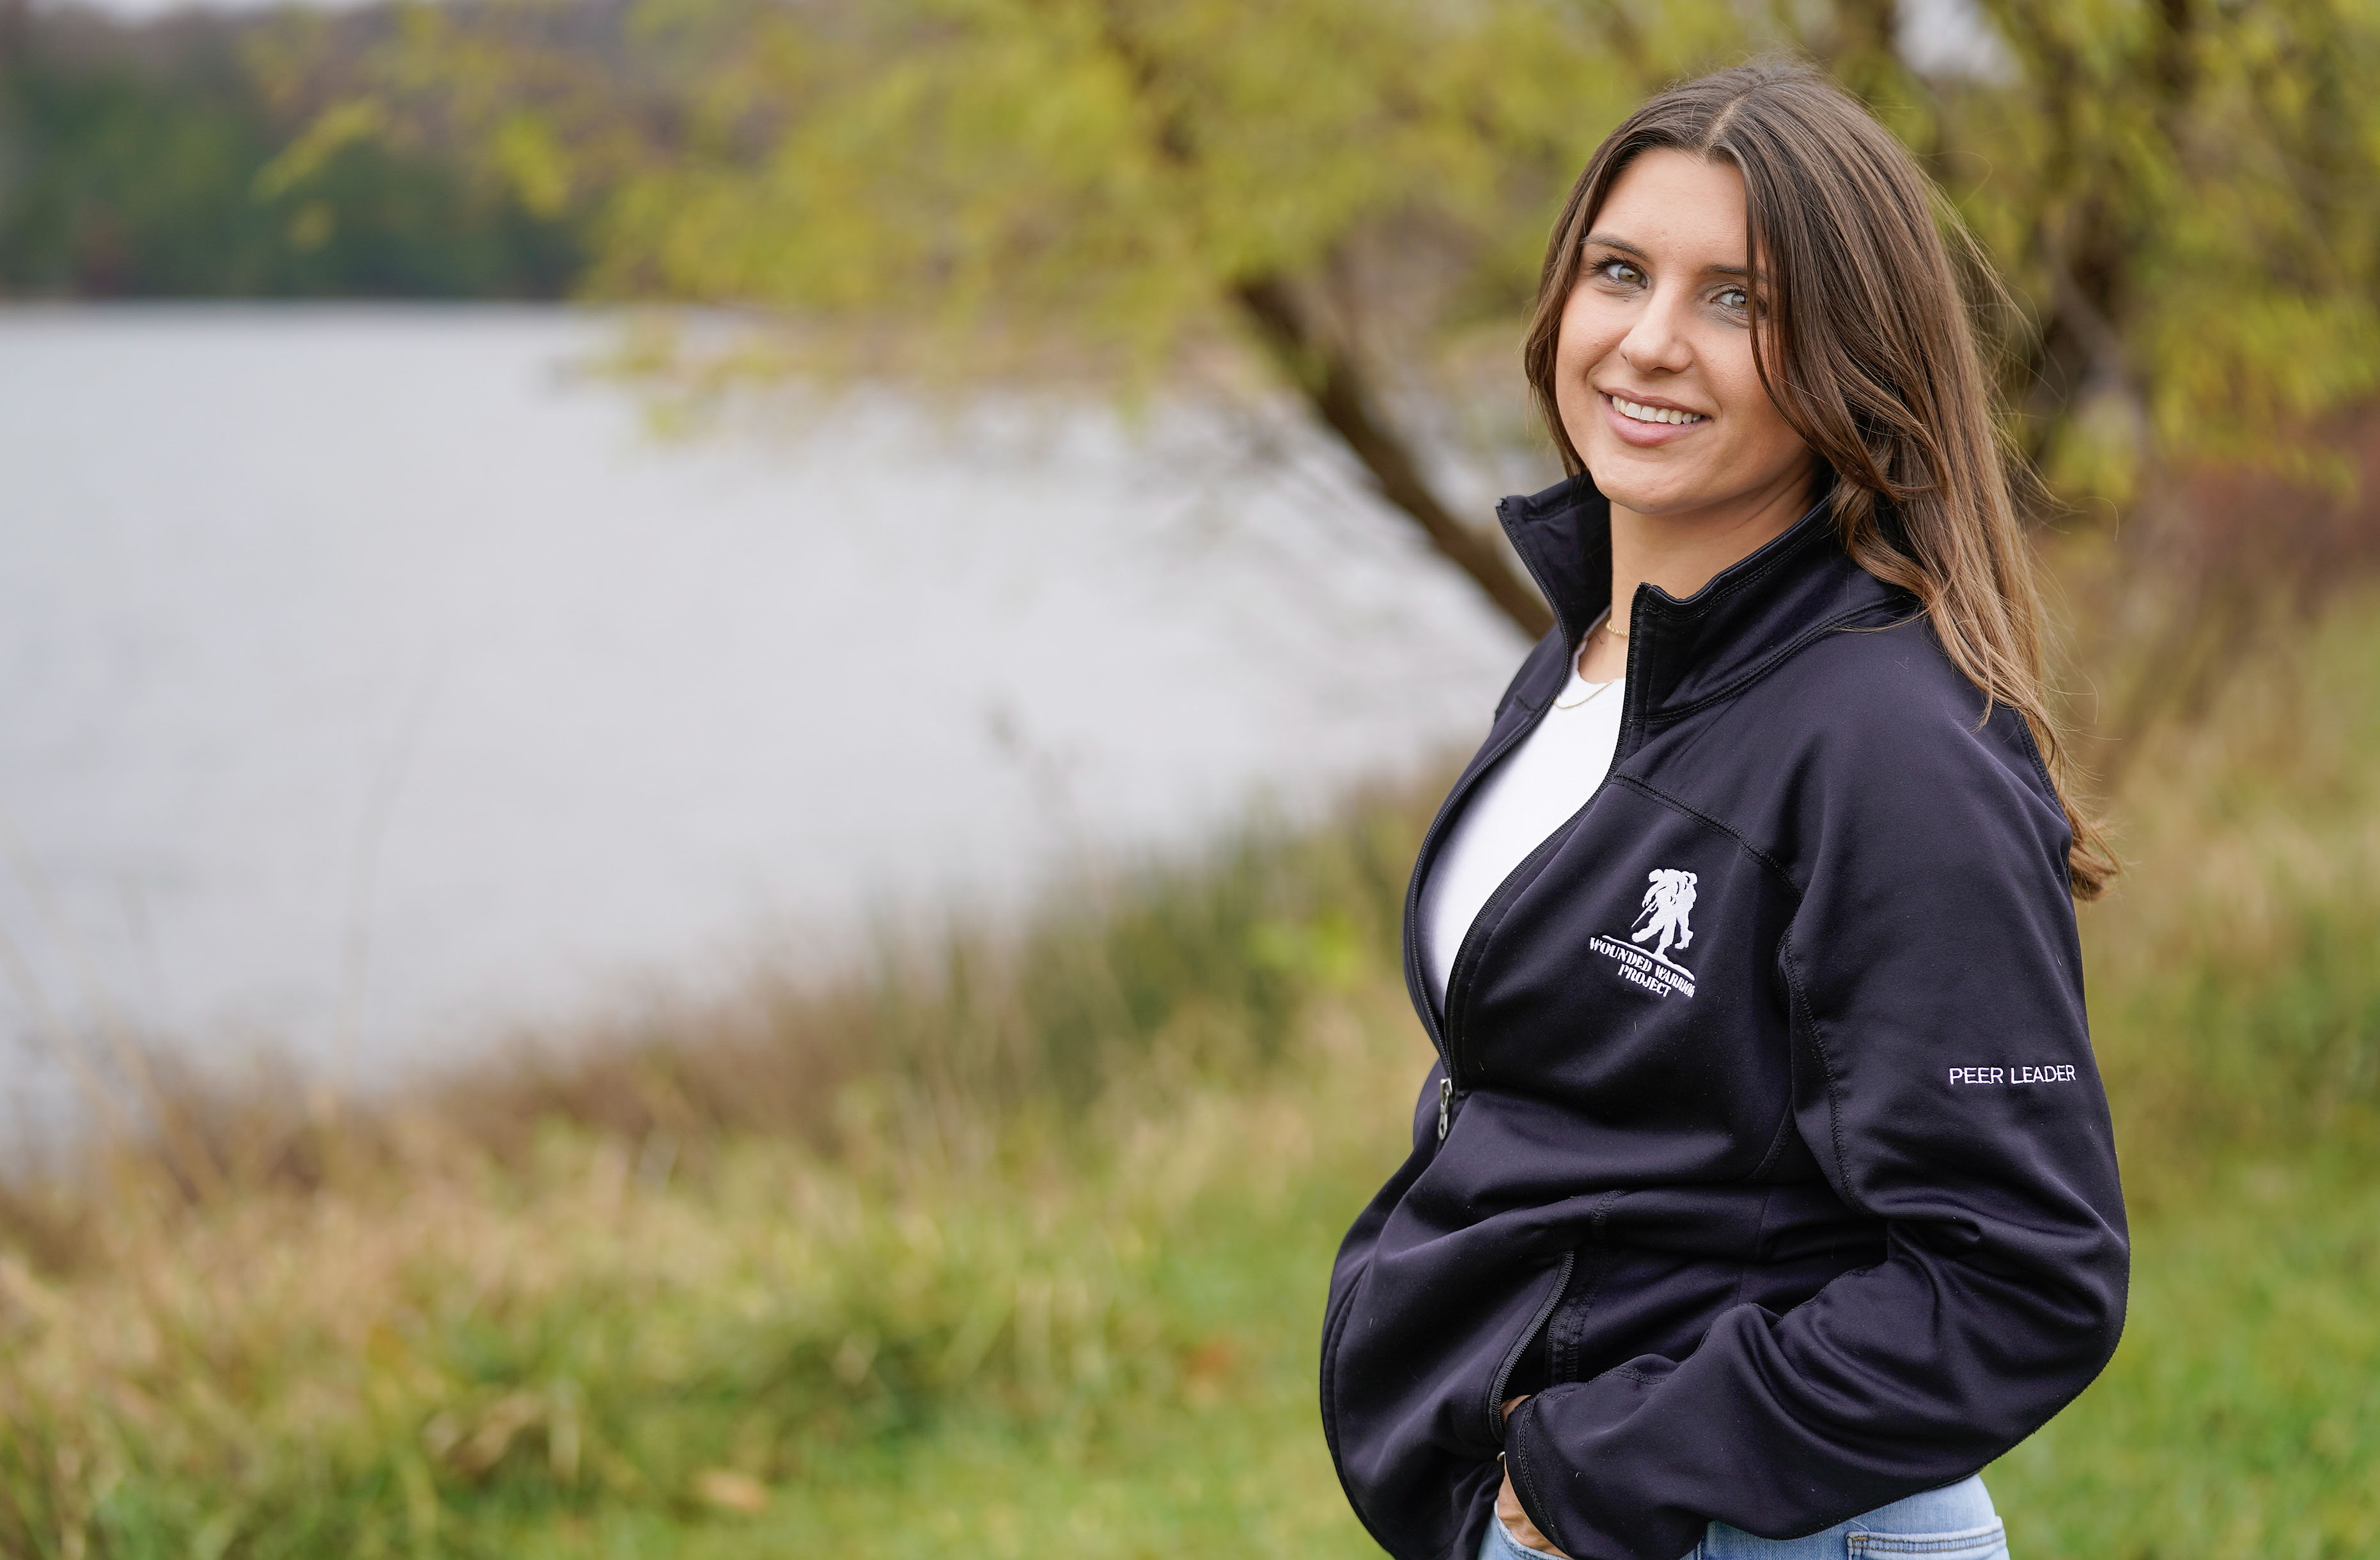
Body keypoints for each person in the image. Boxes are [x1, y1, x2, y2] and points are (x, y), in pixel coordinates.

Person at [1318, 62, 2129, 1560]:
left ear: (1850, 360)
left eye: (1735, 303)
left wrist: (1598, 1470)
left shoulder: (1887, 744)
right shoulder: (1594, 649)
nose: (1647, 341)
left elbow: (2023, 1272)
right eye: (1619, 272)